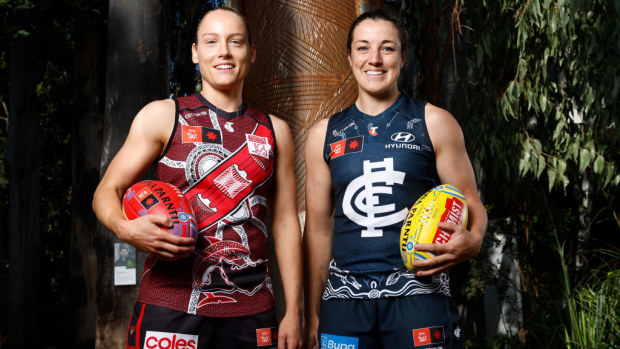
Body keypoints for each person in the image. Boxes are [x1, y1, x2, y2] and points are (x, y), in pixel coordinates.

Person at [93, 7, 302, 349]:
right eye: (211, 41)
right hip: (170, 301)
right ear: (194, 52)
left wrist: (293, 309)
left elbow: (285, 222)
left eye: (235, 41)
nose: (224, 51)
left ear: (251, 53)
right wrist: (125, 228)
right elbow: (107, 190)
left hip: (251, 308)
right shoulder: (163, 115)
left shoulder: (275, 131)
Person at [303, 9, 488, 349]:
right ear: (349, 57)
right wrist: (311, 313)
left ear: (403, 58)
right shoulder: (323, 135)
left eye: (387, 48)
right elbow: (318, 229)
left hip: (418, 294)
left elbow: (470, 200)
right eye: (363, 48)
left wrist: (474, 239)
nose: (374, 59)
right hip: (344, 300)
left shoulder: (434, 121)